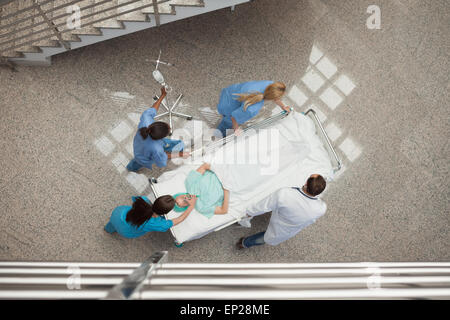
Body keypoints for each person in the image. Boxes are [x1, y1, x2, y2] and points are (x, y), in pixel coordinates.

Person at [236, 174, 327, 249]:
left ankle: (244, 243)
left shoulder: (285, 194)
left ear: (306, 183)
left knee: (265, 237)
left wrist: (249, 213)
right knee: (267, 238)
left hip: (281, 221)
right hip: (289, 229)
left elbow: (264, 206)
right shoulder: (321, 208)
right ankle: (244, 244)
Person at [126, 87, 190, 172]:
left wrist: (162, 95)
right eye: (168, 131)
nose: (170, 128)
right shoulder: (157, 149)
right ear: (160, 137)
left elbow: (152, 110)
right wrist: (180, 154)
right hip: (145, 157)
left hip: (138, 150)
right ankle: (180, 148)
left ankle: (130, 167)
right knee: (140, 161)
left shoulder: (146, 121)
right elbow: (162, 161)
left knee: (136, 161)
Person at [216, 80, 291, 137]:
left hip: (230, 92)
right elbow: (234, 118)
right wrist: (236, 129)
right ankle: (219, 134)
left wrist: (283, 106)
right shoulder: (252, 108)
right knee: (227, 123)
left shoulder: (270, 84)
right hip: (228, 107)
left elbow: (274, 97)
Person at [104, 194, 196, 239]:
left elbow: (134, 198)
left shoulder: (143, 200)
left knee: (114, 222)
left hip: (117, 214)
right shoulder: (159, 224)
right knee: (125, 228)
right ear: (166, 212)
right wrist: (191, 206)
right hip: (126, 231)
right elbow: (180, 219)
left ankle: (108, 229)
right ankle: (111, 228)